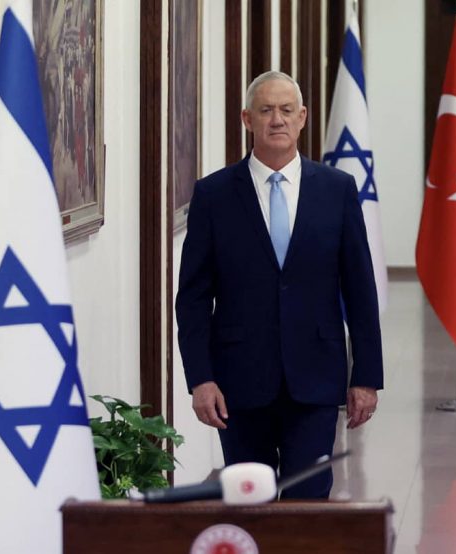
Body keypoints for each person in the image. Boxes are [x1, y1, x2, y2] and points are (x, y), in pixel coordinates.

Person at [176, 71, 383, 499]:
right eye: (266, 110)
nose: (277, 120)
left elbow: (360, 290)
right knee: (250, 501)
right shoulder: (213, 195)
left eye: (287, 110)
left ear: (302, 117)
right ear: (247, 119)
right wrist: (200, 378)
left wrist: (366, 376)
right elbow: (193, 298)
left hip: (316, 378)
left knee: (307, 503)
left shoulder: (336, 190)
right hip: (238, 382)